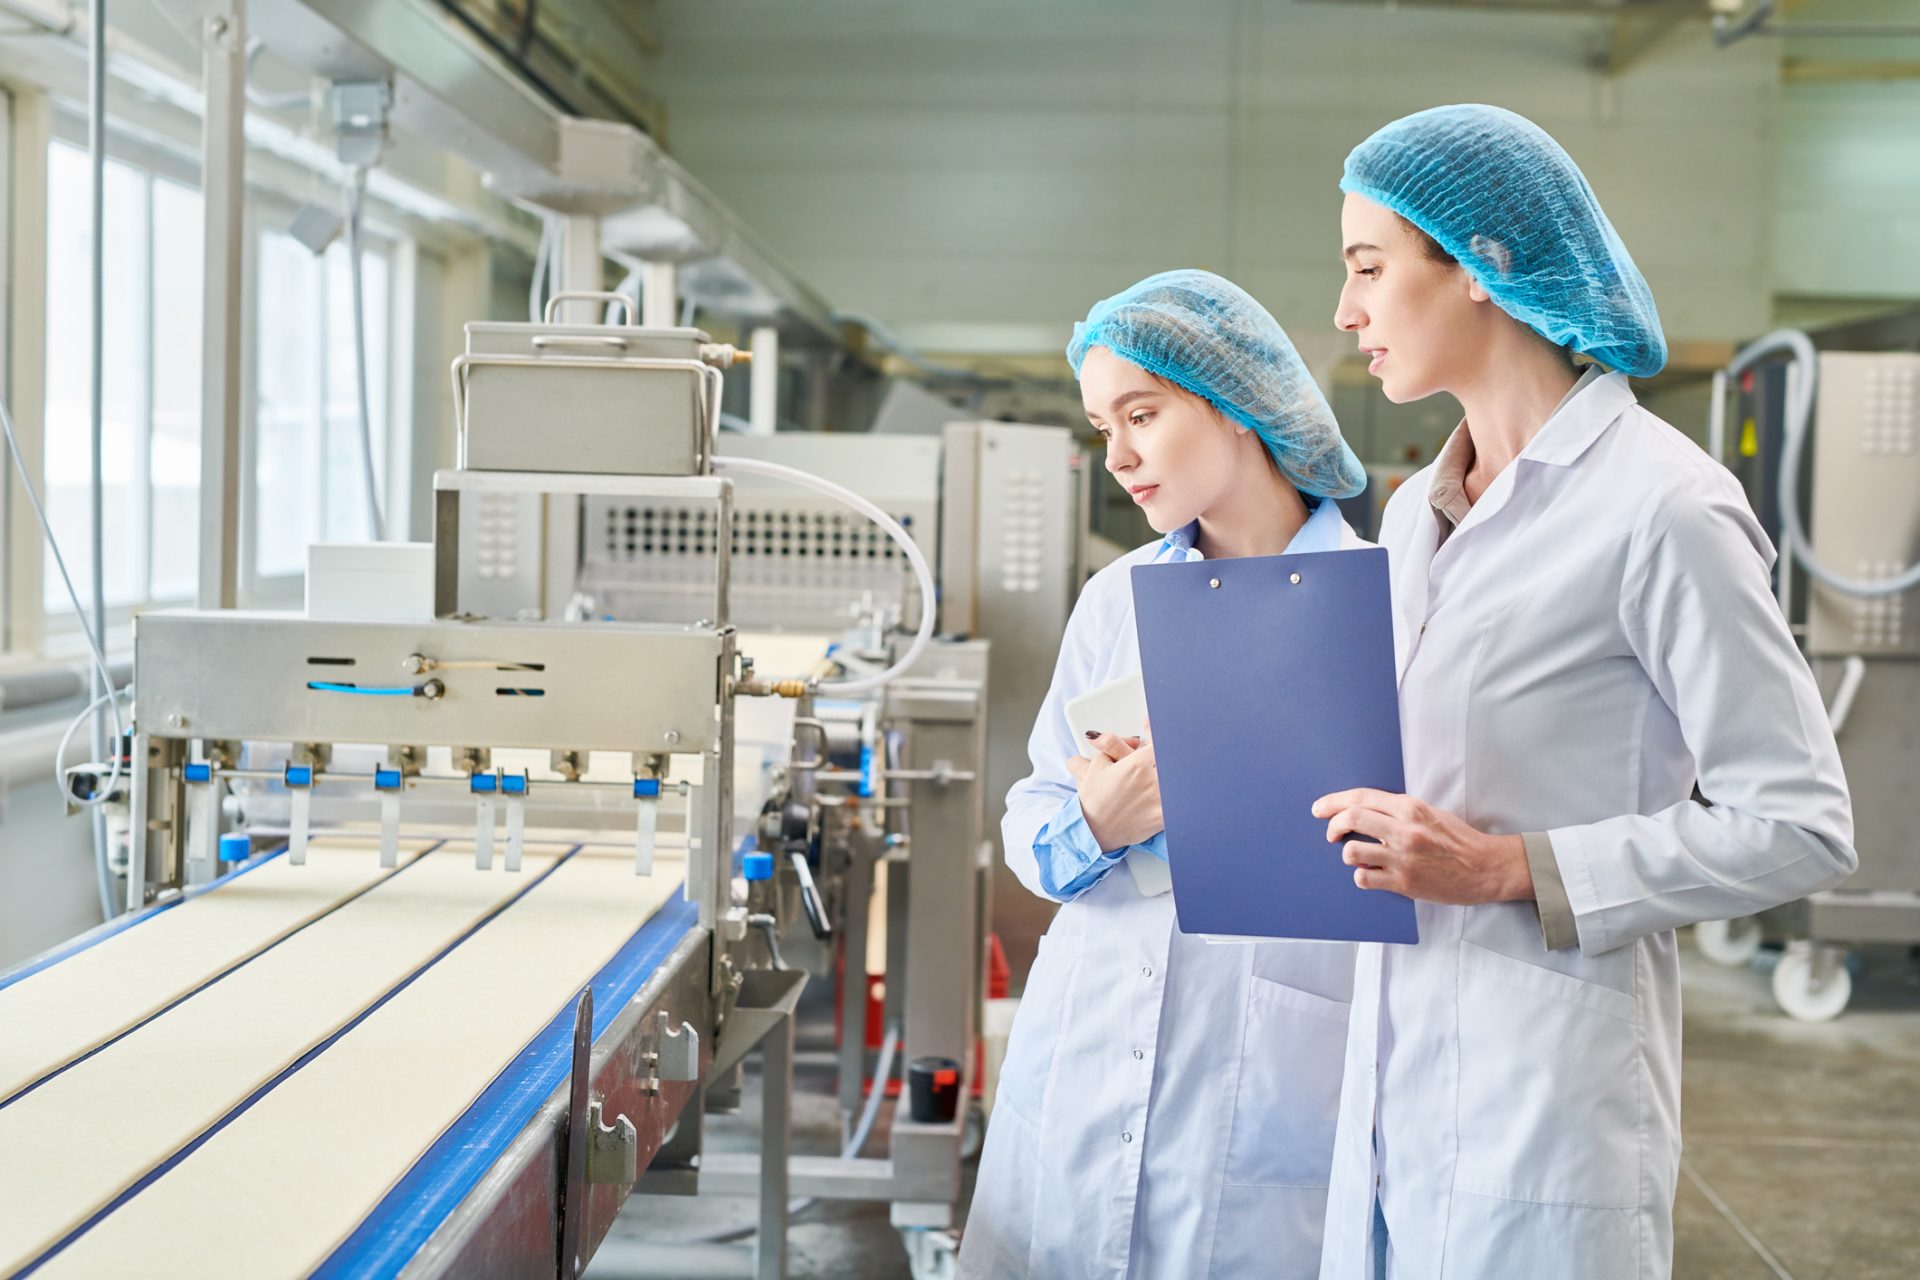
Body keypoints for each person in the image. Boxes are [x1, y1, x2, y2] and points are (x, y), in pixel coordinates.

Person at [1316, 104, 1856, 1279]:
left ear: (1480, 269)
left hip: (1547, 1109)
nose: (1346, 310)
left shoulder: (1663, 505)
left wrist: (1505, 866)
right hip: (1387, 1084)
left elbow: (1800, 823)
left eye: (1368, 267)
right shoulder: (1416, 510)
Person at [958, 269, 1371, 1279]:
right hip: (1094, 1026)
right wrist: (1095, 821)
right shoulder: (1119, 597)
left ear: (1237, 404)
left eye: (1141, 413)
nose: (1121, 456)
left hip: (1274, 1055)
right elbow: (1032, 814)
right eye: (1104, 426)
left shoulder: (1381, 604)